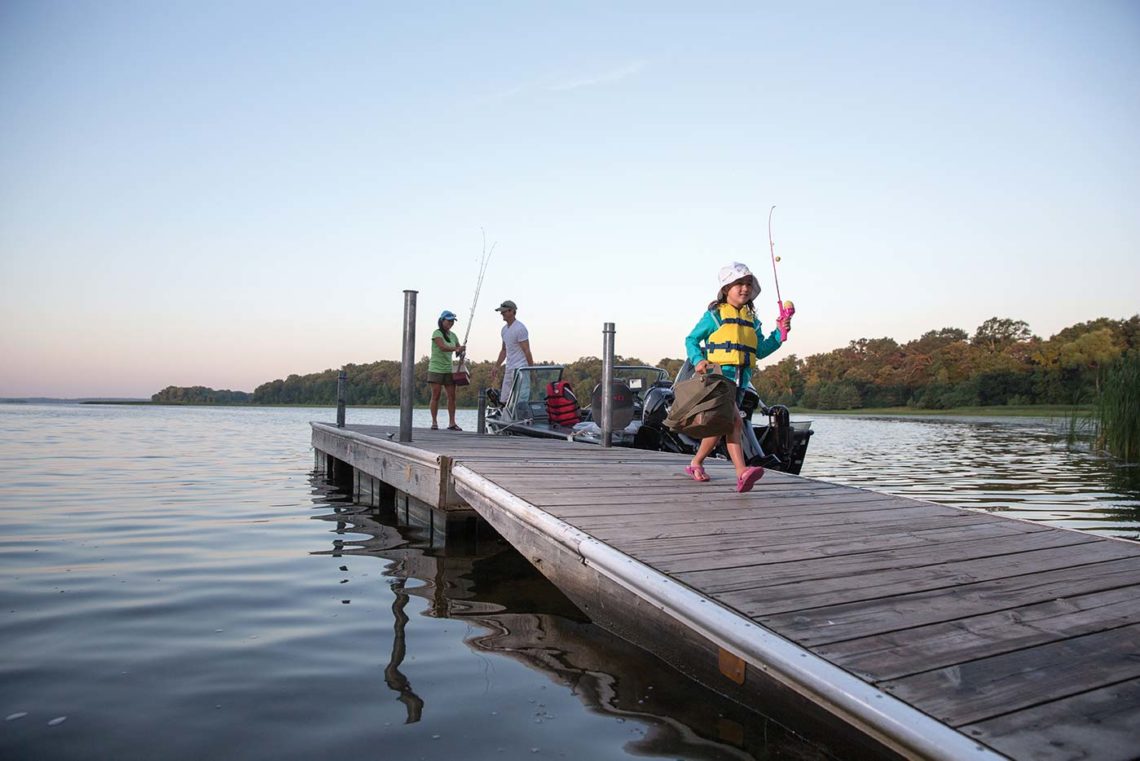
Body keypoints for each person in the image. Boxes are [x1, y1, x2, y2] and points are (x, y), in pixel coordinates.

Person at [682, 262, 792, 493]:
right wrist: (698, 360)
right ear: (726, 288)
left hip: (742, 380)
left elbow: (760, 350)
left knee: (722, 425)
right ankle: (742, 472)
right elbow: (691, 339)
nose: (744, 288)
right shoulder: (714, 316)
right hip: (719, 378)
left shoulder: (753, 320)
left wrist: (779, 333)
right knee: (735, 421)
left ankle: (695, 463)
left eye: (748, 284)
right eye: (738, 283)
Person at [427, 310, 466, 430]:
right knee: (436, 395)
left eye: (452, 321)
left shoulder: (453, 335)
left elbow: (457, 352)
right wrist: (456, 348)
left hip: (449, 369)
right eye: (448, 320)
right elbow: (442, 347)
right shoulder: (436, 333)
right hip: (436, 369)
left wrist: (461, 351)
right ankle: (434, 422)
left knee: (452, 397)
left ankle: (452, 423)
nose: (451, 323)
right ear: (442, 320)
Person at [490, 300, 534, 403]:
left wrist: (531, 370)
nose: (501, 314)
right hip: (509, 368)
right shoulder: (504, 330)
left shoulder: (520, 328)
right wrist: (496, 366)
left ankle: (521, 416)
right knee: (504, 398)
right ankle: (506, 416)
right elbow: (504, 350)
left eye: (504, 311)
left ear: (511, 311)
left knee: (521, 398)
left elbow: (527, 351)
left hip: (521, 368)